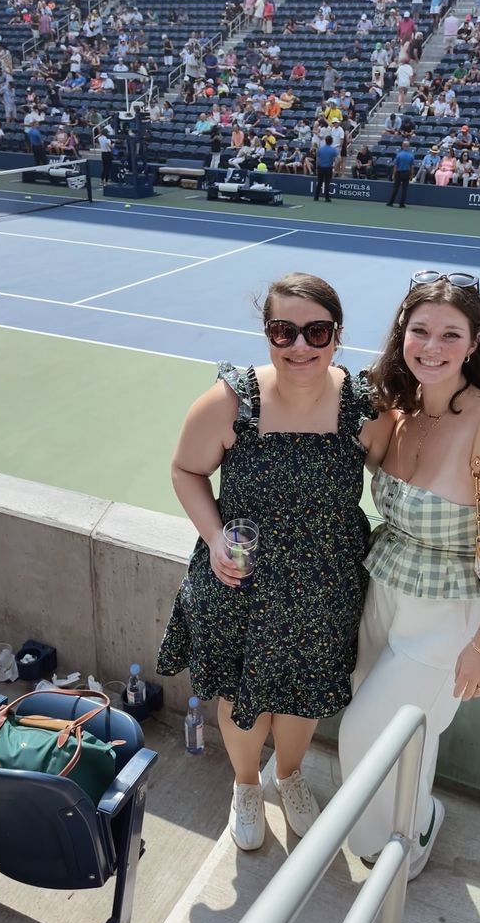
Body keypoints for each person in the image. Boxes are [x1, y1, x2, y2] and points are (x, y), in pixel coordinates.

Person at [157, 274, 393, 851]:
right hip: (242, 575)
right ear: (267, 334)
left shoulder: (366, 409)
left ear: (338, 336)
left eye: (316, 331)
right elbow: (186, 471)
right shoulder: (231, 402)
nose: (299, 346)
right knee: (241, 696)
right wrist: (214, 538)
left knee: (305, 693)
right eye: (283, 331)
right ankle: (244, 786)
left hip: (326, 578)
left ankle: (288, 777)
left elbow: (397, 478)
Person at [339, 270, 480, 879]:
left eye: (450, 334)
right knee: (404, 734)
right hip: (384, 590)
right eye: (419, 329)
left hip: (449, 617)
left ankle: (392, 848)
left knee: (363, 735)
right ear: (401, 332)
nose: (431, 345)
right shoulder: (397, 412)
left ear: (474, 342)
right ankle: (416, 818)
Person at [387, 140, 415, 208]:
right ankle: (401, 204)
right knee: (404, 189)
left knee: (396, 188)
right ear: (408, 147)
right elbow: (412, 167)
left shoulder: (399, 155)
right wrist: (411, 175)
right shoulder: (411, 155)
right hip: (407, 173)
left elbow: (396, 166)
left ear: (402, 146)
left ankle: (390, 202)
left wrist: (393, 174)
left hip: (399, 173)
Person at [314, 134, 338, 202]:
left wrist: (316, 168)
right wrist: (335, 168)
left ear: (325, 141)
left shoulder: (321, 149)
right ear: (331, 142)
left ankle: (316, 197)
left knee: (319, 182)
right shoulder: (333, 150)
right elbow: (337, 160)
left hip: (320, 167)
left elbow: (317, 160)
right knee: (327, 183)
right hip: (328, 168)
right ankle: (327, 198)